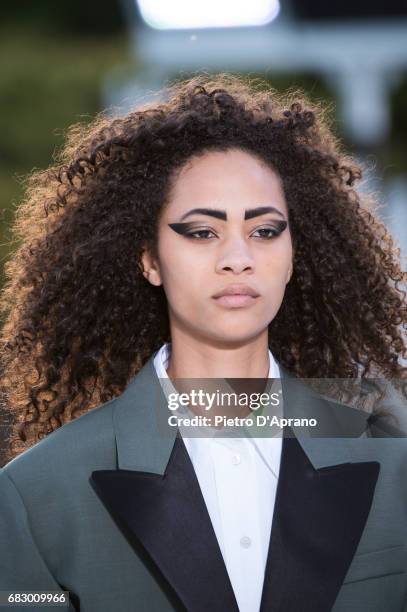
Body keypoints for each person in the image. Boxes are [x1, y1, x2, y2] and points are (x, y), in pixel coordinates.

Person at [0, 74, 406, 612]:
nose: (238, 258)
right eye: (201, 232)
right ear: (148, 259)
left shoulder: (393, 459)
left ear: (293, 255)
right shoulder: (38, 495)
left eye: (265, 230)